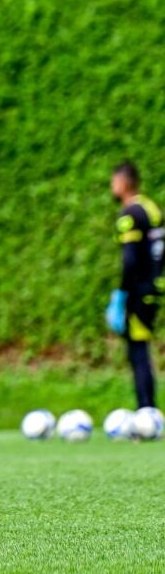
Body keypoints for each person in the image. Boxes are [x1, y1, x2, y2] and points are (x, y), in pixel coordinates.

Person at [108, 161, 163, 409]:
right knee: (142, 347)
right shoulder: (152, 209)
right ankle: (148, 410)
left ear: (122, 183)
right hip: (156, 287)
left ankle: (146, 411)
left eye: (113, 181)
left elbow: (130, 260)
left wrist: (120, 295)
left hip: (138, 290)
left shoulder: (129, 215)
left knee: (138, 351)